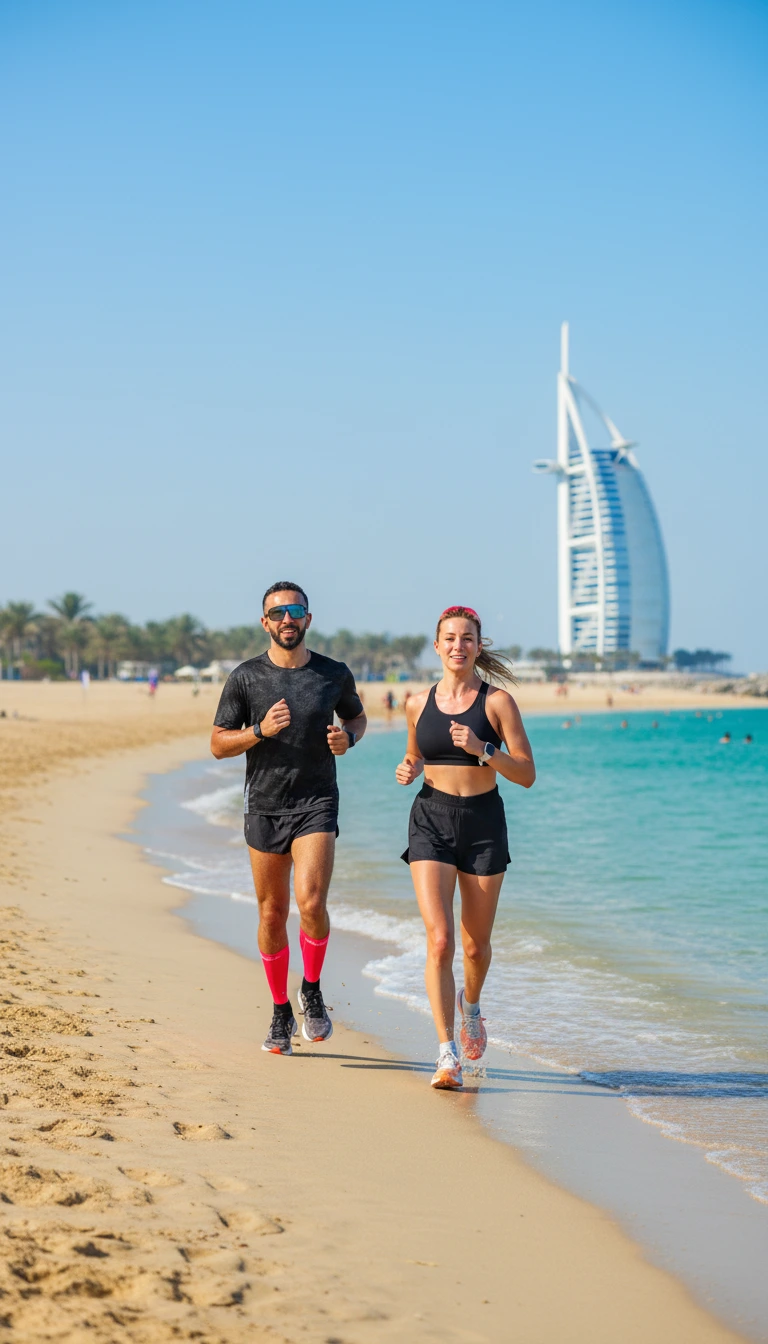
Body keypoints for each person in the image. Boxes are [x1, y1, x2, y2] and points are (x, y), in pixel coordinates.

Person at [210, 583, 366, 1056]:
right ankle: (280, 1010)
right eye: (277, 612)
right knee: (272, 912)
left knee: (312, 902)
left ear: (308, 618)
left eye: (294, 610)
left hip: (317, 801)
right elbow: (218, 743)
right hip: (264, 804)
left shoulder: (332, 674)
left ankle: (312, 991)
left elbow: (356, 719)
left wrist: (348, 739)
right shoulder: (245, 678)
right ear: (265, 623)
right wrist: (259, 731)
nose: (286, 619)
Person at [395, 606, 535, 1090]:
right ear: (437, 646)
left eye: (467, 638)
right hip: (430, 818)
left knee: (474, 946)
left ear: (478, 645)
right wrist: (409, 767)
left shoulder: (498, 704)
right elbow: (416, 751)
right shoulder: (416, 702)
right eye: (450, 638)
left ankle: (470, 1008)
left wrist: (484, 749)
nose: (458, 645)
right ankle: (446, 1053)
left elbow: (527, 775)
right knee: (440, 940)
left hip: (482, 823)